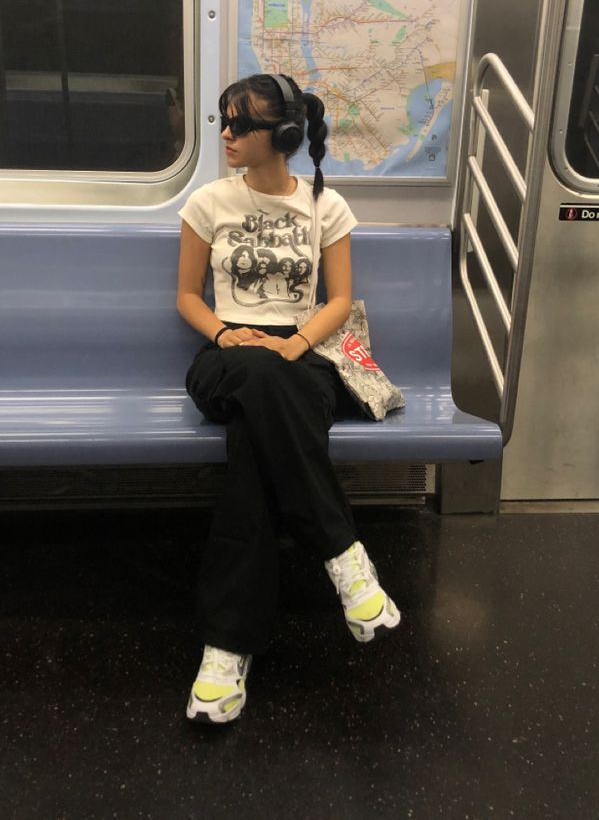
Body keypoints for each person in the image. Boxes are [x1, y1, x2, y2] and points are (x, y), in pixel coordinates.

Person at [176, 73, 400, 725]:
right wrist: (227, 332)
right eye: (223, 120)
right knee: (254, 382)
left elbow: (337, 300)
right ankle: (343, 556)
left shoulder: (326, 206)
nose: (225, 134)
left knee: (254, 447)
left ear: (284, 136)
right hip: (227, 353)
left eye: (238, 124)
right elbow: (189, 296)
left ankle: (226, 647)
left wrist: (295, 343)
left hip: (301, 356)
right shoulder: (208, 202)